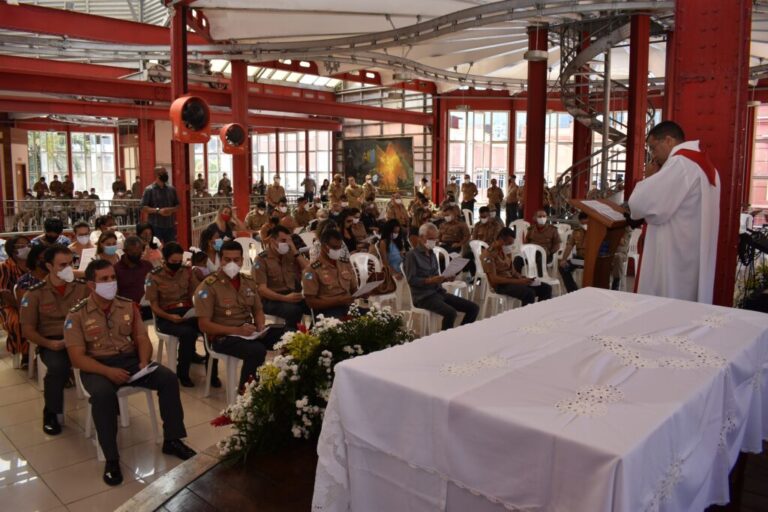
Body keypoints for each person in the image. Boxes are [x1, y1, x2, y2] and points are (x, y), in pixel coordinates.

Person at [65, 259, 195, 486]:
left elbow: (142, 338)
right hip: (97, 366)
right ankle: (111, 458)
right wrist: (107, 371)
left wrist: (144, 361)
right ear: (91, 285)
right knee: (104, 396)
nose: (111, 283)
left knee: (167, 378)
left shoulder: (127, 305)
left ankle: (173, 439)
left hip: (131, 360)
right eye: (104, 279)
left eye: (112, 278)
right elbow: (77, 358)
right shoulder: (76, 315)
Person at [627, 121, 720, 303]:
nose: (653, 155)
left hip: (674, 254)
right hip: (689, 251)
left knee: (666, 307)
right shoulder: (704, 165)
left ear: (668, 140)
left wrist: (649, 178)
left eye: (653, 148)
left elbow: (638, 204)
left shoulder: (680, 164)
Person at [194, 240, 283, 389]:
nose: (232, 263)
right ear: (220, 260)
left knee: (288, 336)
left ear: (242, 260)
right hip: (223, 337)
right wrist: (237, 331)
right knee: (257, 351)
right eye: (227, 260)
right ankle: (246, 397)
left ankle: (281, 386)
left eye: (236, 259)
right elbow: (204, 325)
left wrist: (260, 325)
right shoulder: (208, 286)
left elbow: (258, 309)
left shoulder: (248, 281)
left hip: (249, 331)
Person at [20, 245, 89, 435]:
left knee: (107, 356)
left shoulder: (82, 288)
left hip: (80, 339)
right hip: (53, 341)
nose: (68, 268)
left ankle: (107, 401)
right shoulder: (34, 293)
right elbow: (27, 330)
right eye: (62, 265)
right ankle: (51, 411)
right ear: (49, 266)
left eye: (71, 263)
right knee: (58, 367)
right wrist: (49, 344)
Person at [146, 242, 204, 386]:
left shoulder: (186, 271)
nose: (177, 264)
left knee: (208, 325)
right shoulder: (153, 276)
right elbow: (154, 307)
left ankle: (212, 371)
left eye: (179, 261)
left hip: (186, 312)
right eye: (173, 261)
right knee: (188, 333)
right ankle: (182, 373)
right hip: (166, 316)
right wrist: (169, 317)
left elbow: (196, 292)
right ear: (164, 259)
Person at [404, 223, 479, 331]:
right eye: (430, 238)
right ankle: (445, 341)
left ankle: (461, 333)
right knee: (451, 313)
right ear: (421, 237)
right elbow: (411, 280)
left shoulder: (432, 254)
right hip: (423, 297)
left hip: (438, 292)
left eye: (435, 239)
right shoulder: (412, 255)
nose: (433, 242)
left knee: (473, 308)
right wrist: (429, 280)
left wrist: (446, 277)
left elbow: (436, 276)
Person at [252, 225, 310, 331]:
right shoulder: (261, 260)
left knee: (315, 304)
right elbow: (262, 290)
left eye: (288, 240)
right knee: (294, 311)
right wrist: (285, 298)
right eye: (283, 240)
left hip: (292, 295)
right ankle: (290, 339)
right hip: (271, 299)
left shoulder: (290, 254)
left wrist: (294, 250)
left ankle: (313, 335)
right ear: (273, 240)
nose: (286, 243)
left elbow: (309, 269)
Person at [301, 228, 361, 319]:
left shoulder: (345, 264)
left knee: (372, 317)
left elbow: (354, 289)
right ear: (324, 246)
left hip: (348, 306)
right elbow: (311, 302)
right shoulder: (310, 270)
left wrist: (364, 291)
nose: (338, 250)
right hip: (328, 310)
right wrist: (338, 301)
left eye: (340, 247)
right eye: (334, 247)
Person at [482, 228, 551, 305]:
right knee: (529, 293)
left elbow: (513, 271)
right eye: (509, 243)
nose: (510, 246)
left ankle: (541, 314)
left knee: (546, 288)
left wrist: (522, 278)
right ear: (501, 239)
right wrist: (518, 281)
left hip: (512, 281)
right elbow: (494, 279)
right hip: (501, 285)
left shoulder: (504, 251)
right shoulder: (488, 254)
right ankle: (526, 316)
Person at [0, 236, 31, 359]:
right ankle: (25, 354)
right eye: (22, 246)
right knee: (18, 322)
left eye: (28, 245)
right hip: (10, 304)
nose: (27, 248)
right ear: (13, 250)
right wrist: (22, 306)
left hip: (33, 302)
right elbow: (3, 293)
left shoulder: (34, 265)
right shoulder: (5, 267)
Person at [114, 236, 154, 321]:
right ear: (125, 251)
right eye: (133, 253)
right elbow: (115, 295)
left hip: (146, 308)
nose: (137, 256)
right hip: (126, 310)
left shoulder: (147, 266)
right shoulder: (116, 269)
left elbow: (150, 286)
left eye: (139, 253)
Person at [140, 166, 180, 243]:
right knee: (155, 248)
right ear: (157, 175)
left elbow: (178, 205)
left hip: (170, 226)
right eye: (164, 173)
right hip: (155, 226)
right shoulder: (149, 190)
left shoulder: (172, 189)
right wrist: (158, 211)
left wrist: (171, 210)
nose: (166, 174)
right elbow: (142, 207)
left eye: (166, 173)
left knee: (171, 248)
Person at [519, 210, 560, 276]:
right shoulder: (531, 229)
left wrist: (550, 252)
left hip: (546, 254)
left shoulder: (552, 230)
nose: (542, 218)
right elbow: (526, 242)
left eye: (544, 216)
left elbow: (557, 244)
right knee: (518, 259)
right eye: (540, 216)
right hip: (532, 254)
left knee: (541, 260)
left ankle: (542, 280)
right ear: (535, 218)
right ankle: (518, 279)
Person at [559, 213, 588, 293]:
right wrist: (563, 259)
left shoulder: (596, 232)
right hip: (579, 259)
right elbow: (569, 246)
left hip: (591, 259)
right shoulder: (576, 232)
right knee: (563, 268)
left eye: (586, 223)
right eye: (582, 223)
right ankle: (573, 290)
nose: (584, 225)